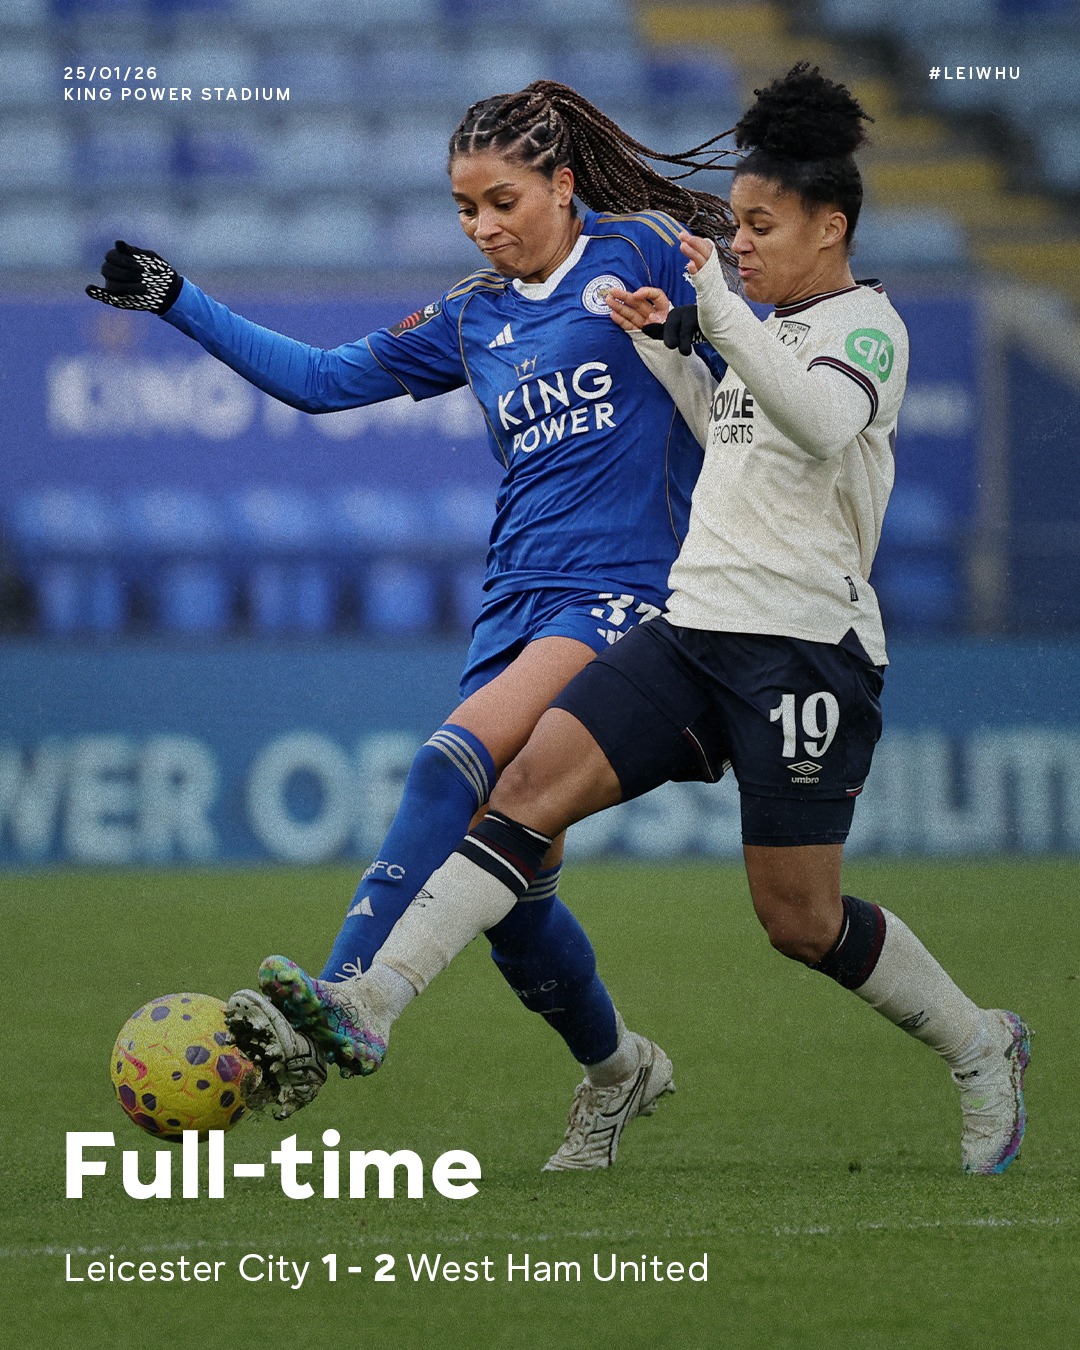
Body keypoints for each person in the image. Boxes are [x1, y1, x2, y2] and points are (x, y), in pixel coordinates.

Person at [259, 65, 1031, 1177]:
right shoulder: (750, 332)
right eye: (738, 225)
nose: (740, 244)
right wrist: (670, 351)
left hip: (803, 648)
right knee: (522, 791)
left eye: (762, 226)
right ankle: (371, 1000)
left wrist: (712, 312)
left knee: (799, 921)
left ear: (831, 226)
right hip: (692, 625)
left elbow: (818, 425)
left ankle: (979, 1042)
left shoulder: (866, 330)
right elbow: (736, 446)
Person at [86, 81, 739, 1169]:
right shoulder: (474, 315)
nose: (483, 227)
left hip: (626, 590)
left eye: (502, 202)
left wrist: (709, 339)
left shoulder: (643, 250)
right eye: (465, 209)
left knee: (450, 762)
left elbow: (746, 361)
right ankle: (619, 1069)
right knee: (509, 892)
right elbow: (320, 382)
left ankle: (345, 996)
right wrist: (178, 300)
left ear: (562, 186)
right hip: (514, 602)